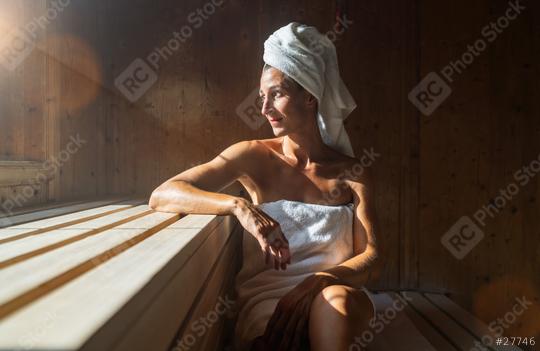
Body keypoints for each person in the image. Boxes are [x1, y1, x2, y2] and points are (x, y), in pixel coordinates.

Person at [149, 23, 380, 351]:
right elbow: (164, 194)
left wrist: (320, 280)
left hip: (337, 292)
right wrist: (240, 208)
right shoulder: (251, 156)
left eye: (277, 94)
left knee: (334, 306)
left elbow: (372, 255)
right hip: (269, 301)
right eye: (262, 97)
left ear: (310, 97)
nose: (264, 109)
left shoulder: (351, 172)